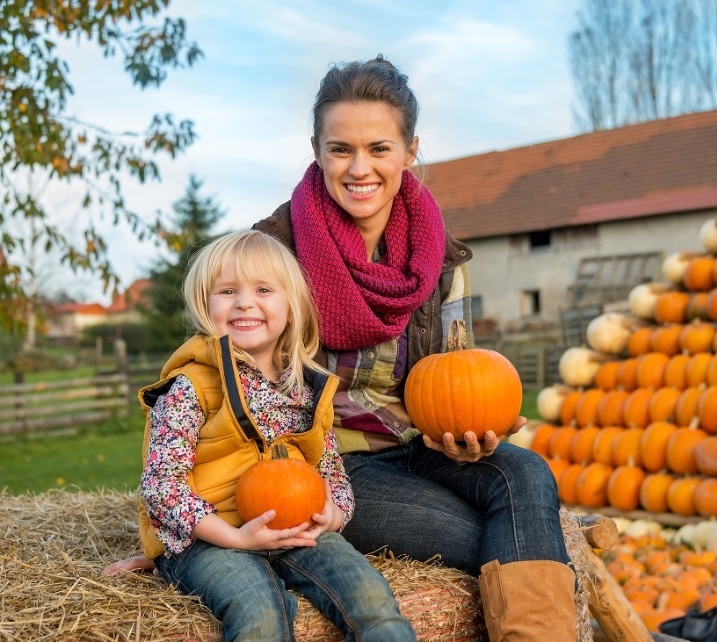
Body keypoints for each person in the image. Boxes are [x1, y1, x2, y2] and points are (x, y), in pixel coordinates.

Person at [107, 56, 577, 640]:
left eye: (380, 148)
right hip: (334, 463)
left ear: (410, 150)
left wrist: (463, 432)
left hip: (418, 445)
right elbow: (214, 371)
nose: (360, 168)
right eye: (340, 149)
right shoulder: (277, 249)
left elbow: (459, 372)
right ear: (316, 149)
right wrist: (176, 536)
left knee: (526, 475)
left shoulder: (442, 262)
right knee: (487, 536)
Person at [106, 230, 416, 642]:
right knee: (262, 615)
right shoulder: (191, 387)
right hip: (213, 538)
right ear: (205, 303)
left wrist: (334, 513)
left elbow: (331, 472)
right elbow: (162, 486)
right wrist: (234, 536)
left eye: (264, 289)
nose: (245, 302)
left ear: (291, 305)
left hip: (296, 530)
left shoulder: (306, 389)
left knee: (373, 600)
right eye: (227, 291)